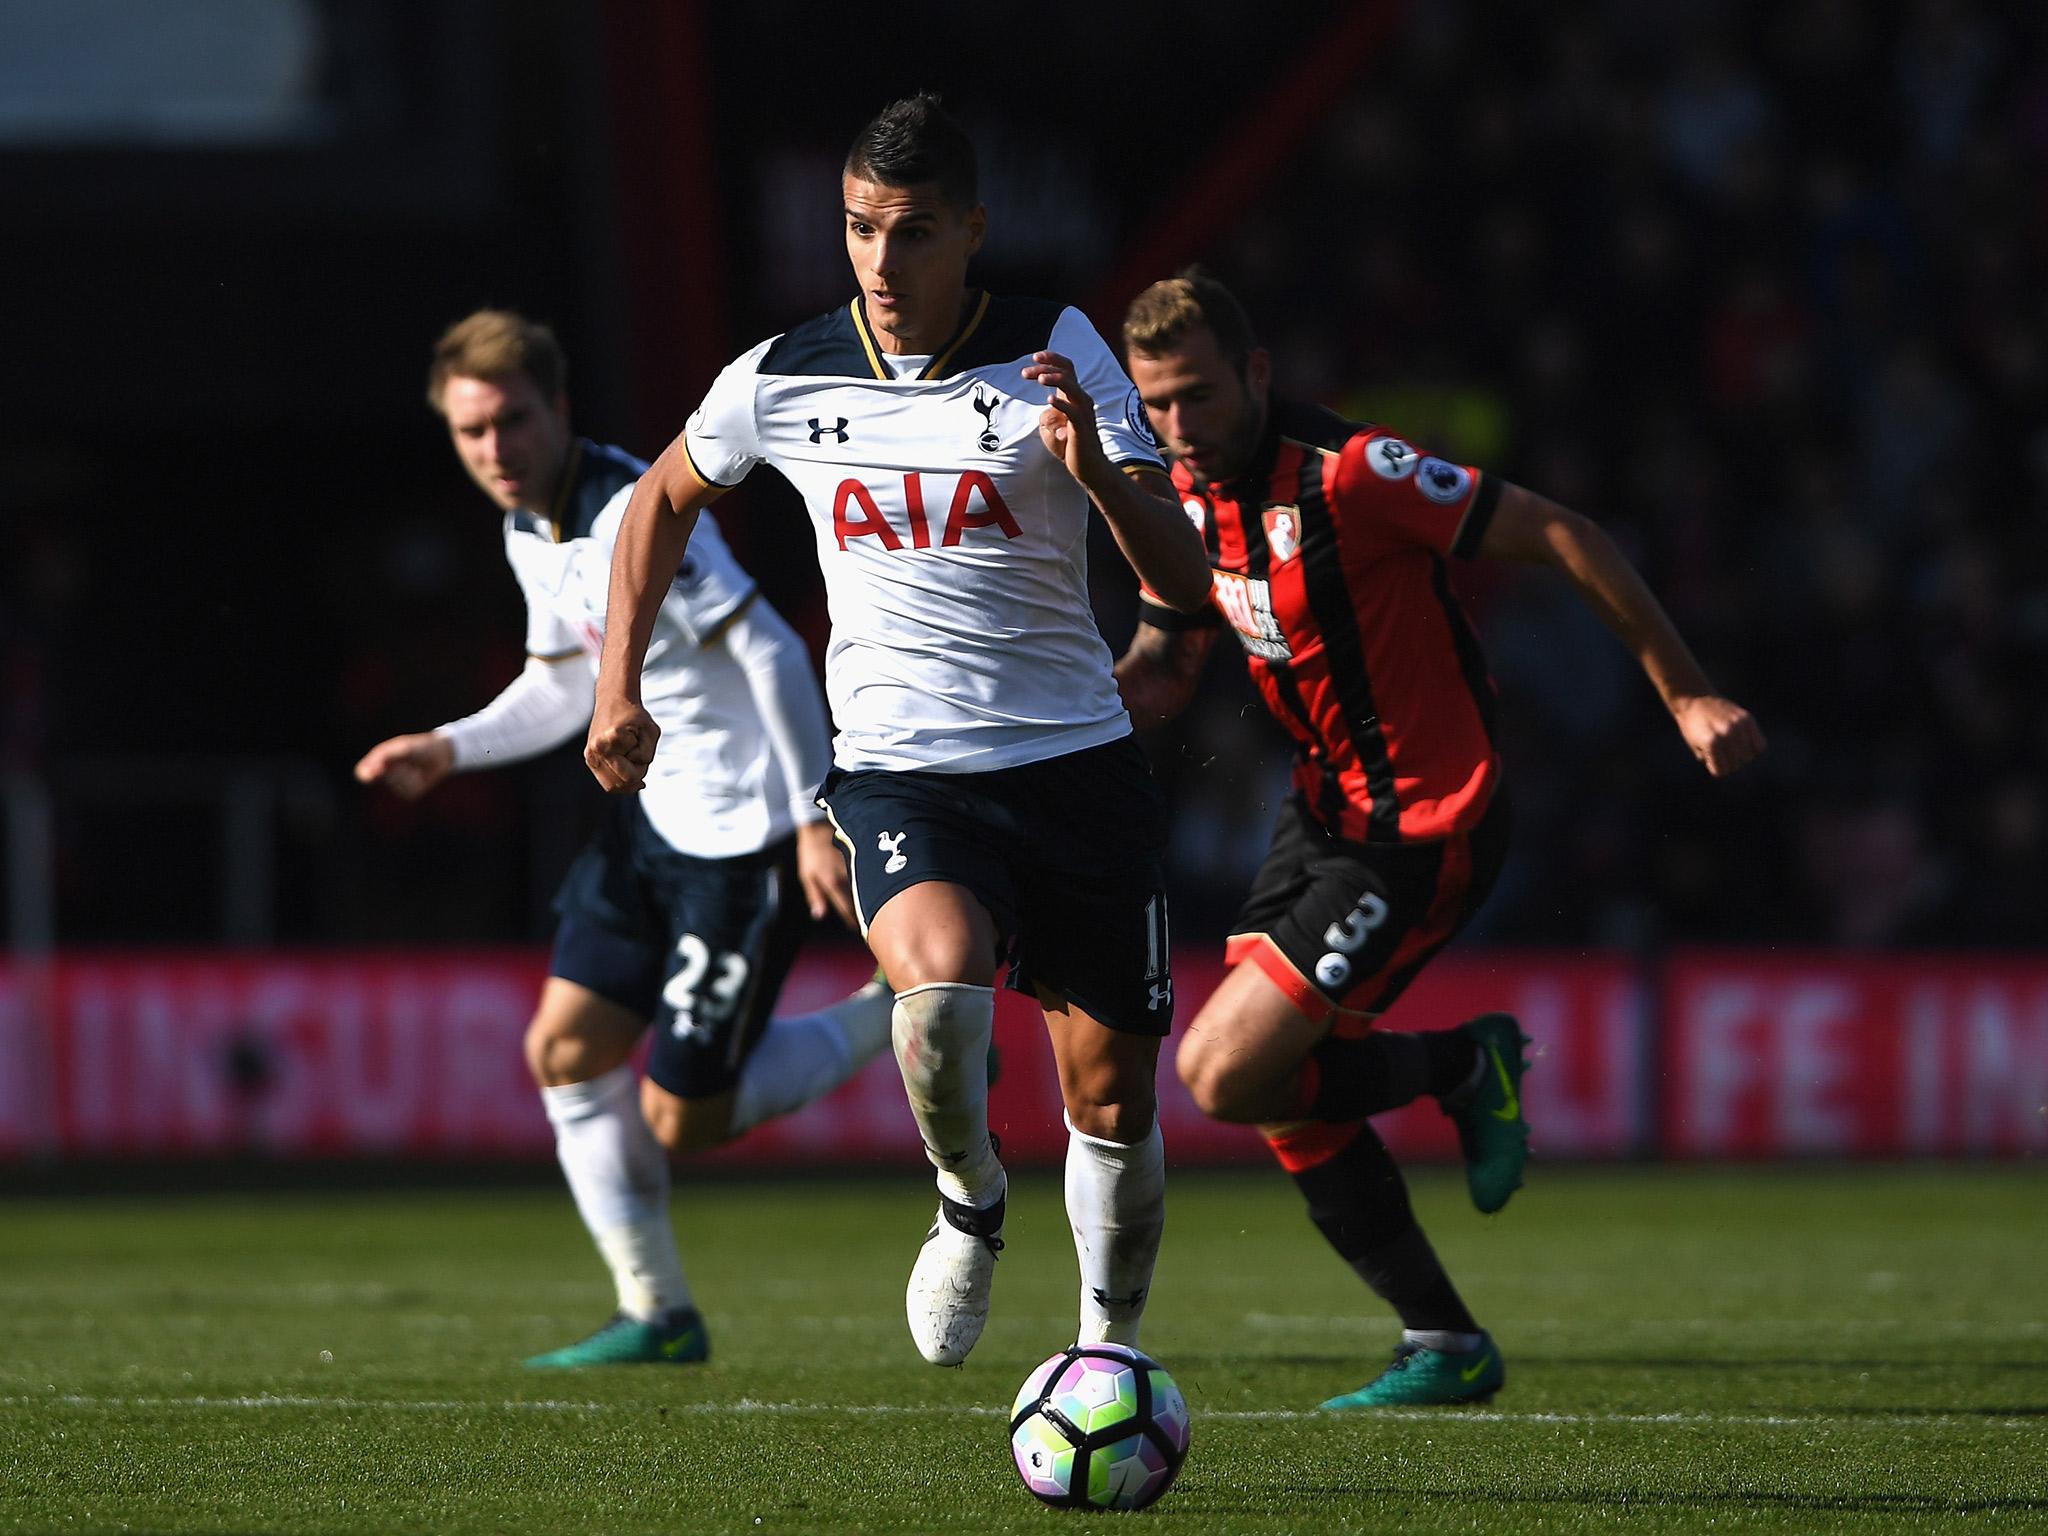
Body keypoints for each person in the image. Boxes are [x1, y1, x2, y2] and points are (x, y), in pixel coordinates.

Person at [585, 95, 1212, 1368]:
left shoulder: (1056, 348)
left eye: (912, 232)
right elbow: (654, 501)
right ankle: (968, 1197)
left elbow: (1186, 577)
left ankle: (1107, 1351)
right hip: (902, 774)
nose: (880, 261)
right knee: (934, 999)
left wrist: (1094, 469)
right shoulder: (783, 372)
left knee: (1110, 1102)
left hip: (1075, 765)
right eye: (861, 229)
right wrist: (618, 688)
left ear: (971, 232)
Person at [1114, 272, 1766, 1407]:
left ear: (1256, 373)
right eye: (1158, 403)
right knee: (1271, 1088)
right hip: (1320, 813)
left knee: (1221, 1073)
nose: (1181, 425)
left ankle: (1463, 1065)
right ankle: (1443, 1343)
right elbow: (1168, 662)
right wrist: (1055, 717)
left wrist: (1685, 697)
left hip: (1428, 820)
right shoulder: (1178, 492)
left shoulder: (1352, 474)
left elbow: (1564, 534)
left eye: (1201, 397)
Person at [355, 310, 896, 1368]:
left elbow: (772, 650)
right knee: (561, 1050)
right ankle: (656, 1314)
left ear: (557, 408)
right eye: (471, 433)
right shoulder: (528, 530)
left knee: (685, 1121)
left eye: (512, 421)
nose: (494, 450)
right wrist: (450, 749)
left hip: (743, 841)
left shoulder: (630, 513)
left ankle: (892, 1018)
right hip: (652, 826)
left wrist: (806, 819)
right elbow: (564, 683)